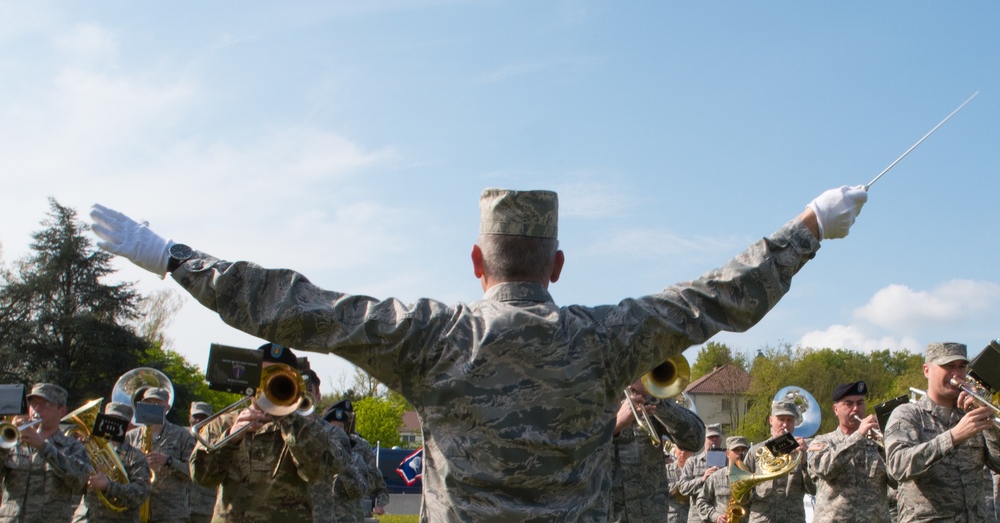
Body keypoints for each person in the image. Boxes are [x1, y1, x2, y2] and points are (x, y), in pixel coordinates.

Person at [90, 185, 866, 522]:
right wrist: (806, 227)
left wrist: (171, 257)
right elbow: (718, 297)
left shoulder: (431, 334)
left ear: (475, 260)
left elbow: (299, 304)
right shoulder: (606, 337)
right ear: (556, 265)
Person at [190, 344, 353, 523]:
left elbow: (317, 472)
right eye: (262, 376)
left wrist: (289, 419)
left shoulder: (308, 429)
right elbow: (202, 477)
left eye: (278, 376)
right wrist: (230, 438)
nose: (268, 383)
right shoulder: (222, 424)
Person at [884, 342, 1000, 523]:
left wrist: (990, 421)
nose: (957, 374)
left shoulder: (971, 414)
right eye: (948, 366)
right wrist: (953, 437)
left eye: (962, 367)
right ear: (926, 370)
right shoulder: (907, 414)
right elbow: (897, 467)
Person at [610, 378, 705, 523]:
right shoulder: (593, 395)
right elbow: (572, 454)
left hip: (650, 515)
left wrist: (657, 401)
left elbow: (696, 440)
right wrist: (614, 426)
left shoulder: (651, 399)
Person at [0, 383, 91, 523]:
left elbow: (79, 480)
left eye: (46, 404)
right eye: (33, 403)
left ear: (62, 411)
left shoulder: (73, 446)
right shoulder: (13, 442)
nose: (37, 409)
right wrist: (3, 445)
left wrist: (42, 446)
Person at [807, 380, 891, 523]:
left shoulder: (877, 442)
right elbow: (826, 469)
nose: (855, 408)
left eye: (860, 403)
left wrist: (884, 447)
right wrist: (859, 435)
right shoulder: (822, 442)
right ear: (835, 409)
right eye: (849, 404)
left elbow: (897, 481)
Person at [72, 401, 152, 523]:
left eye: (118, 420)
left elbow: (141, 494)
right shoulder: (88, 450)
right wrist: (77, 452)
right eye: (108, 419)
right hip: (88, 518)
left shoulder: (136, 457)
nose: (111, 425)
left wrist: (108, 486)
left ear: (129, 426)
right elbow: (73, 484)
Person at [124, 387, 195, 523]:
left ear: (167, 407)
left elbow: (193, 472)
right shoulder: (130, 436)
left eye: (157, 403)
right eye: (148, 402)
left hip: (170, 512)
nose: (152, 406)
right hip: (136, 510)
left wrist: (168, 461)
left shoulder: (183, 435)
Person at [742, 399, 814, 523]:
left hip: (792, 519)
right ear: (771, 420)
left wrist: (804, 462)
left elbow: (813, 489)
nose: (785, 424)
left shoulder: (804, 450)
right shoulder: (756, 452)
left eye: (789, 420)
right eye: (781, 419)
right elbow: (742, 490)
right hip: (763, 519)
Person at [677, 424, 726, 523]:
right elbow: (682, 488)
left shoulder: (727, 461)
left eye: (716, 437)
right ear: (704, 439)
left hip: (721, 516)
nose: (714, 440)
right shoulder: (693, 462)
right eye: (710, 437)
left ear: (721, 440)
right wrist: (702, 479)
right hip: (698, 517)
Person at [696, 436, 750, 523]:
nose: (740, 453)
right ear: (727, 453)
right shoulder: (716, 477)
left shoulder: (752, 477)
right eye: (736, 450)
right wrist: (715, 516)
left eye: (743, 450)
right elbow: (701, 501)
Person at [187, 402, 218, 523]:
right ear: (189, 417)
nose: (198, 420)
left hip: (204, 507)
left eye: (203, 417)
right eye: (195, 416)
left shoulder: (217, 439)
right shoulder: (179, 436)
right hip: (178, 506)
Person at [666, 446, 694, 523]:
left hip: (690, 516)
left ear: (691, 453)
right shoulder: (667, 469)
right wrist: (683, 484)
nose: (683, 452)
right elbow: (663, 490)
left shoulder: (695, 470)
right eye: (680, 449)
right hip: (672, 516)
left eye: (686, 449)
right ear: (675, 451)